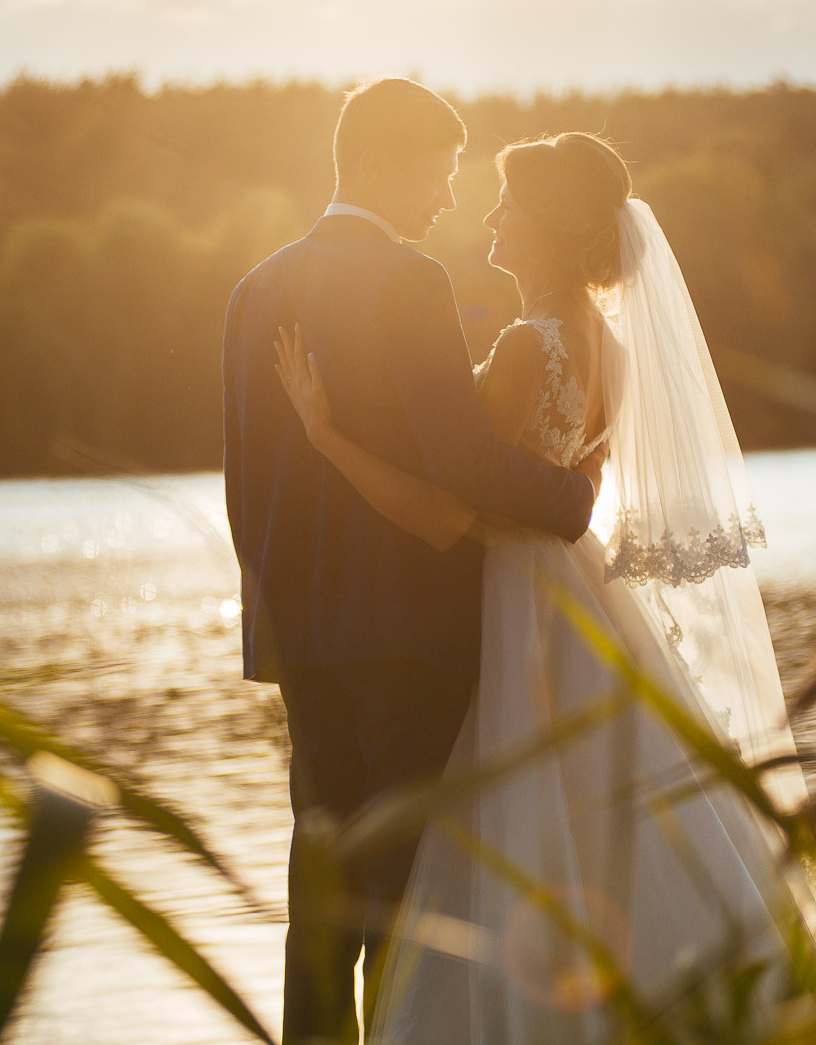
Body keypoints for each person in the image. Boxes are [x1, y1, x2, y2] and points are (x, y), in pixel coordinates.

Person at [275, 132, 816, 1043]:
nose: (491, 217)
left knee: (520, 812)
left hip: (512, 599)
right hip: (577, 589)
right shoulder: (609, 346)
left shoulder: (526, 349)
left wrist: (326, 435)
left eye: (506, 204)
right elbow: (574, 488)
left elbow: (447, 511)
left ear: (546, 223)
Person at [222, 82, 605, 1045]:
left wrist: (281, 617)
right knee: (409, 883)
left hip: (303, 641)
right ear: (382, 162)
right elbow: (463, 461)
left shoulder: (254, 288)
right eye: (435, 173)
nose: (445, 198)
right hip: (416, 634)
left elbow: (243, 490)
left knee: (322, 877)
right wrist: (574, 499)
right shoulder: (409, 280)